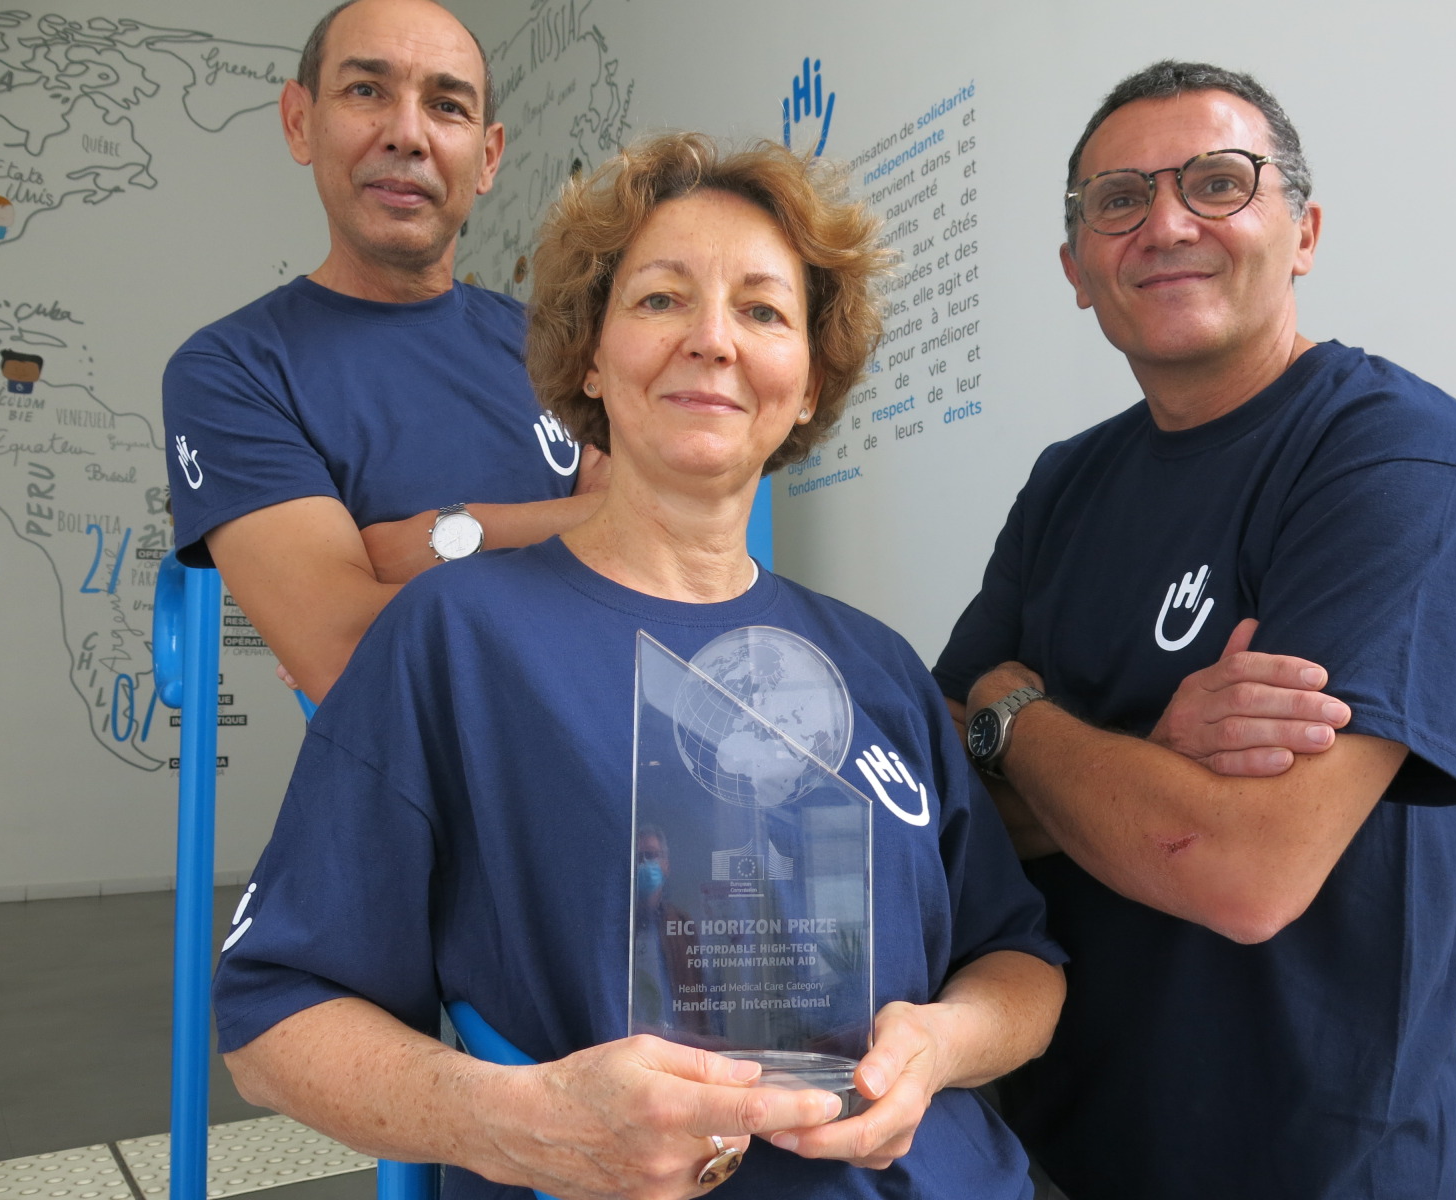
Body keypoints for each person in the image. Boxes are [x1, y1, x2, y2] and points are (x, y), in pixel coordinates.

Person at [213, 133, 1068, 1200]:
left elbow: (1019, 963)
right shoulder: (458, 641)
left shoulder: (876, 664)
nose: (712, 340)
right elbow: (270, 1018)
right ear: (589, 357)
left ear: (808, 383)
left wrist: (940, 1046)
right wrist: (518, 1123)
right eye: (662, 299)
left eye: (763, 312)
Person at [934, 61, 1456, 1199]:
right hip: (1047, 1148)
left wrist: (1015, 716)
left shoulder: (1395, 455)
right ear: (1076, 270)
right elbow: (941, 811)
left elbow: (1244, 869)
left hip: (1311, 1165)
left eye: (1216, 182)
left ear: (1303, 232)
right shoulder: (1063, 487)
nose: (1165, 225)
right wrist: (1152, 760)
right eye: (1119, 200)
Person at [161, 0, 606, 703]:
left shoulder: (562, 346)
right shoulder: (234, 371)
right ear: (299, 122)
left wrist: (448, 536)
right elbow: (347, 653)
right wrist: (589, 534)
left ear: (487, 157)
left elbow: (669, 542)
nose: (407, 135)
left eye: (447, 106)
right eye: (366, 90)